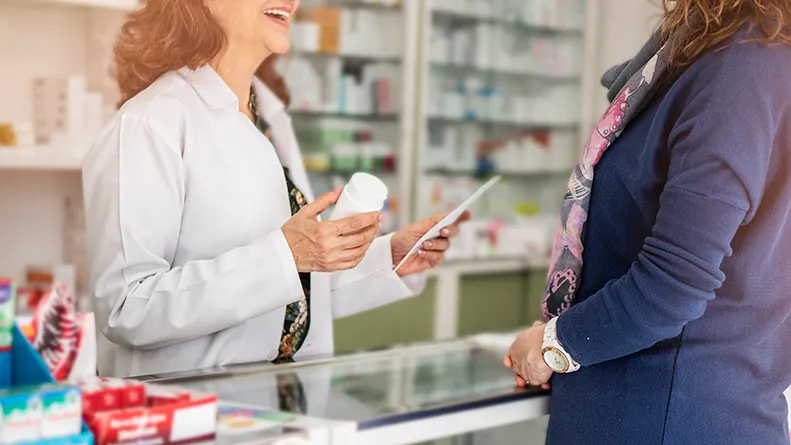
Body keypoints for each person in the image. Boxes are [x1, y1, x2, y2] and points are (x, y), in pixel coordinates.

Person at [82, 0, 468, 378]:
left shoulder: (268, 119)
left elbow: (286, 300)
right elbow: (126, 308)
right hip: (190, 406)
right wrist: (285, 255)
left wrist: (388, 259)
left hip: (279, 397)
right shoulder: (150, 125)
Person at [504, 1, 791, 444]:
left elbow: (673, 283)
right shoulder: (710, 52)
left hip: (666, 417)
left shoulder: (740, 68)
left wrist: (553, 345)